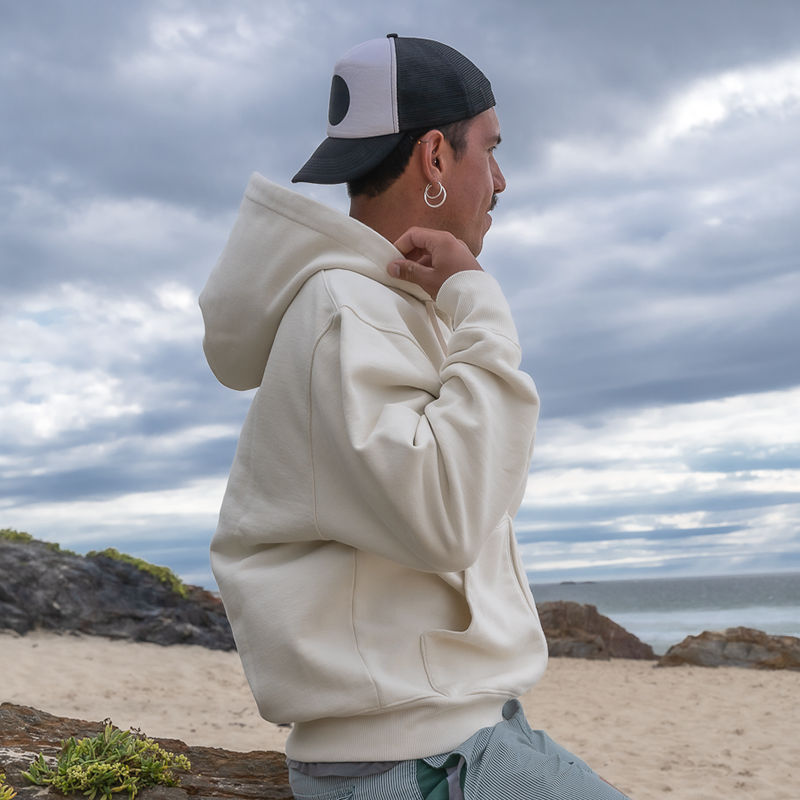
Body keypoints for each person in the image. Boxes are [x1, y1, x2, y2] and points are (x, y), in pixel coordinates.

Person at [200, 34, 630, 800]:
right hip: (414, 759)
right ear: (435, 157)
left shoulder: (380, 305)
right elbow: (448, 515)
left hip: (453, 734)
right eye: (489, 150)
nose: (499, 179)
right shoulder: (347, 310)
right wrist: (481, 303)